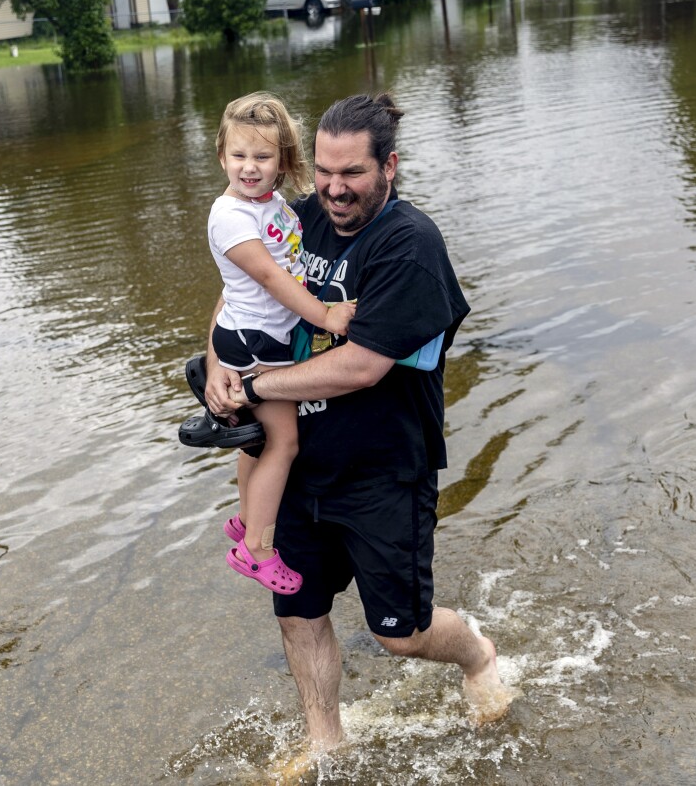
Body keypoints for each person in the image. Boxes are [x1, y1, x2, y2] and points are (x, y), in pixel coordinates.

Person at [205, 93, 516, 751]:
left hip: (382, 471)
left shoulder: (410, 246)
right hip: (297, 464)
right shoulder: (299, 217)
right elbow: (242, 288)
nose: (333, 190)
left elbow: (360, 367)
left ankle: (477, 654)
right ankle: (327, 743)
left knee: (401, 634)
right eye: (322, 171)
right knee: (299, 615)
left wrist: (254, 383)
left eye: (351, 174)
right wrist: (215, 366)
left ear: (390, 167)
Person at [205, 92, 358, 595]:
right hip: (254, 342)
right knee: (282, 443)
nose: (249, 167)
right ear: (222, 156)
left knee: (257, 440)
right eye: (239, 155)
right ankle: (258, 548)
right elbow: (271, 279)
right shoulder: (230, 216)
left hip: (254, 335)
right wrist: (327, 317)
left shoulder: (269, 203)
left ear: (283, 162)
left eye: (262, 157)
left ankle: (247, 515)